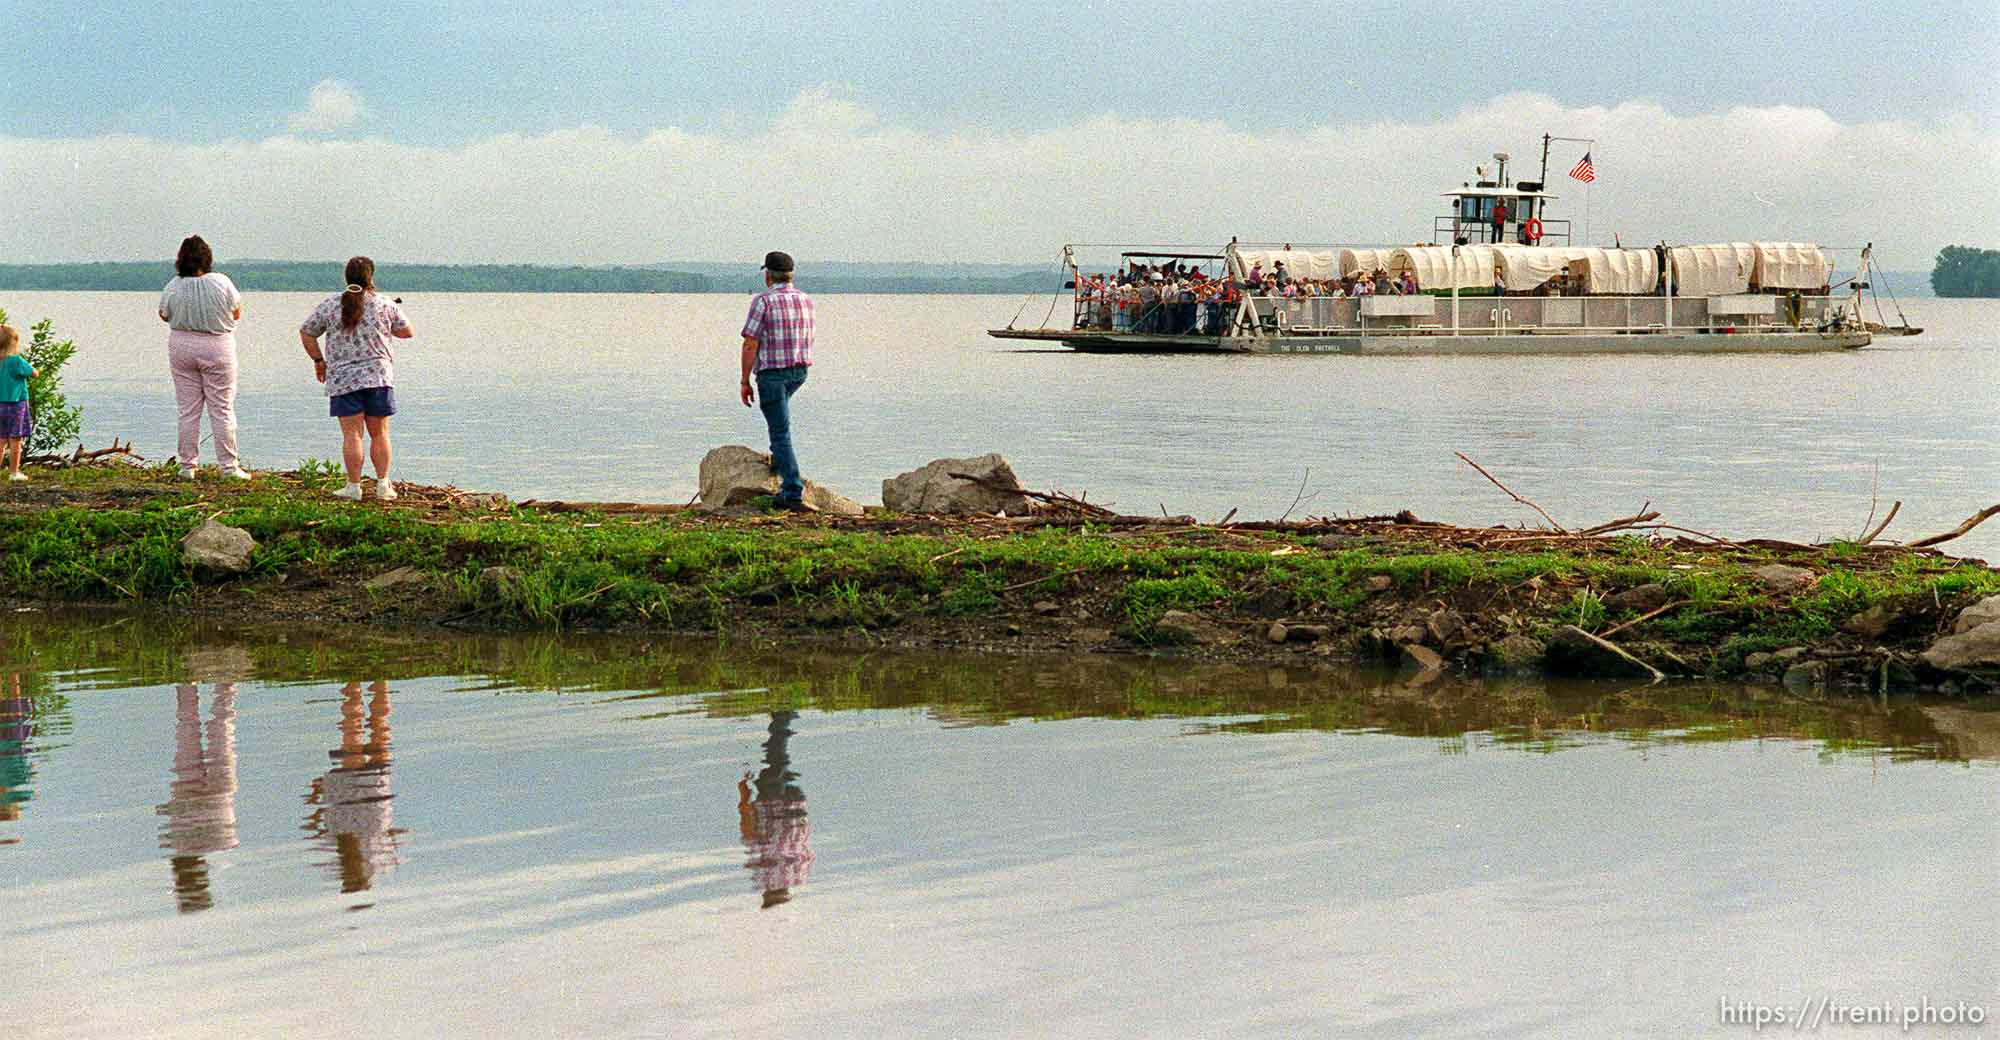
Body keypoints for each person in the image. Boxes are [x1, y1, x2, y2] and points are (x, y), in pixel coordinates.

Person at [299, 257, 413, 502]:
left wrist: (319, 360)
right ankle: (383, 485)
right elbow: (406, 332)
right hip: (378, 377)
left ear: (347, 278)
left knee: (352, 435)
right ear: (371, 277)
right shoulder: (385, 304)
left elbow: (307, 332)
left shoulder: (330, 304)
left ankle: (354, 486)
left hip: (343, 379)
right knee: (380, 433)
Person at [158, 236, 249, 480]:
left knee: (187, 410)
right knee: (222, 408)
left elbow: (164, 315)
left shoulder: (173, 285)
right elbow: (237, 312)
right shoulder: (221, 282)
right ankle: (229, 467)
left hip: (181, 346)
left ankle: (188, 466)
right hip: (217, 346)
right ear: (207, 259)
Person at [739, 251, 816, 511]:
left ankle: (792, 492)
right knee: (781, 423)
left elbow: (751, 342)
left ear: (768, 276)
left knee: (780, 432)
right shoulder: (805, 300)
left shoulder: (764, 301)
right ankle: (780, 462)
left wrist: (744, 380)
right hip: (799, 371)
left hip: (772, 373)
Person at [737, 711, 813, 909]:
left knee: (780, 763)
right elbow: (747, 828)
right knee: (775, 758)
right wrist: (743, 792)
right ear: (766, 895)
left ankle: (781, 718)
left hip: (797, 805)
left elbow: (809, 851)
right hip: (773, 805)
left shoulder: (800, 875)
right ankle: (783, 715)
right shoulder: (761, 875)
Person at [0, 326, 32, 482]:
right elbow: (33, 372)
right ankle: (14, 472)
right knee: (15, 440)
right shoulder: (16, 361)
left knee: (0, 440)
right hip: (16, 405)